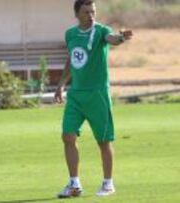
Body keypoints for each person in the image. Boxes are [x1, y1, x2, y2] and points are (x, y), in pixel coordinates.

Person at [54, 0, 132, 198]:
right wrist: (61, 84)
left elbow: (112, 38)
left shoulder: (100, 31)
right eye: (86, 11)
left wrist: (121, 37)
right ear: (77, 14)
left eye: (93, 11)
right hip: (76, 95)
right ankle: (74, 185)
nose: (91, 15)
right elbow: (72, 59)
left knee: (103, 141)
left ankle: (108, 184)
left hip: (97, 94)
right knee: (68, 136)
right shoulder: (70, 34)